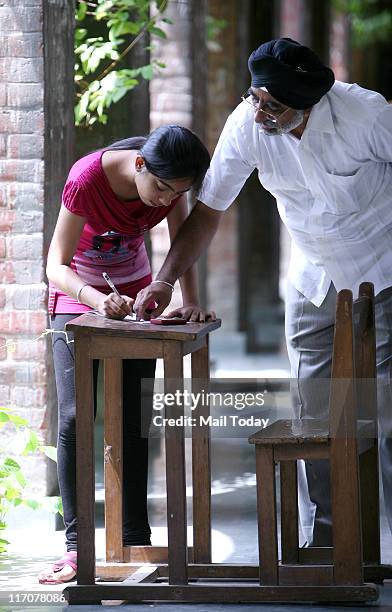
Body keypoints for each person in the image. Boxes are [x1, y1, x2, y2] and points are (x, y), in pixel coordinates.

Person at [134, 38, 392, 548]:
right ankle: (330, 543)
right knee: (315, 412)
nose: (260, 111)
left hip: (384, 266)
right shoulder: (246, 125)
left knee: (381, 410)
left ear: (309, 102)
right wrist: (164, 279)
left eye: (273, 105)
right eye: (256, 97)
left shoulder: (365, 113)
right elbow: (209, 210)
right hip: (314, 275)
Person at [38, 125, 215, 585]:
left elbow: (183, 244)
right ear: (139, 164)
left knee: (134, 417)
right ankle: (77, 549)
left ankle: (134, 537)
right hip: (79, 296)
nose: (164, 200)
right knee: (77, 419)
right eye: (159, 188)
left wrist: (188, 299)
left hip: (135, 296)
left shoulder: (171, 186)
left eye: (176, 193)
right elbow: (54, 265)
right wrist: (96, 300)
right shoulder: (86, 179)